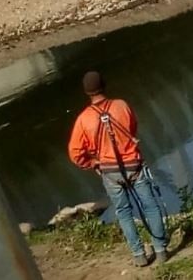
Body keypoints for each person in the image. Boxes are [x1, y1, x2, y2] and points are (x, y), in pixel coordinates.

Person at [68, 72, 169, 267]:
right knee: (150, 206)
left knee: (123, 212)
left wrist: (93, 163)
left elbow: (75, 153)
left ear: (86, 92)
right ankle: (160, 250)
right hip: (134, 166)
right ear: (104, 85)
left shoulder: (83, 119)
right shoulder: (121, 105)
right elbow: (133, 128)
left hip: (109, 171)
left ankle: (139, 255)